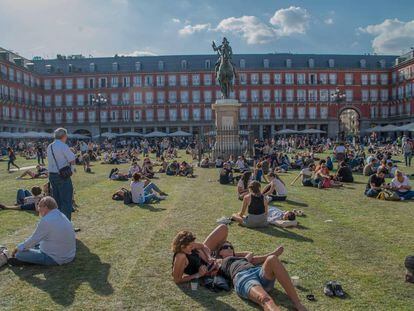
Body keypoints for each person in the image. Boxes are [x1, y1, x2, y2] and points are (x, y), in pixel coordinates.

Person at [216, 242, 307, 311]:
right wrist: (227, 256)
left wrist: (235, 254)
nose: (229, 248)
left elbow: (250, 253)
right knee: (265, 299)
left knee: (272, 258)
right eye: (225, 247)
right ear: (219, 252)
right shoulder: (219, 261)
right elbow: (208, 260)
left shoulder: (241, 259)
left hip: (257, 272)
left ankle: (297, 303)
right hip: (243, 277)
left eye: (231, 247)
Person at [10, 196, 76, 265]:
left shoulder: (46, 220)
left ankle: (28, 260)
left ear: (46, 207)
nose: (38, 209)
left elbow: (34, 239)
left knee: (19, 254)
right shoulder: (61, 215)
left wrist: (18, 248)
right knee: (33, 245)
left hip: (56, 258)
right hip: (69, 255)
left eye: (39, 206)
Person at [47, 128, 76, 221]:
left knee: (57, 201)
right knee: (66, 201)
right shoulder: (63, 146)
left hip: (52, 175)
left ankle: (58, 224)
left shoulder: (50, 146)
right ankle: (66, 225)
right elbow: (72, 159)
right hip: (62, 175)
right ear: (64, 136)